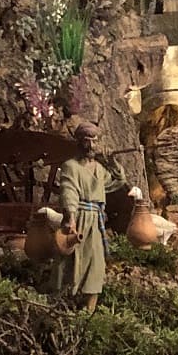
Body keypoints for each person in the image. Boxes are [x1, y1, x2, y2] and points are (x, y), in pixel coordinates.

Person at [55, 119, 140, 311]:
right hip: (79, 218)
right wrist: (71, 218)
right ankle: (64, 303)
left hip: (95, 221)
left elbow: (118, 181)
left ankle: (90, 309)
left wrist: (111, 161)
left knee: (96, 263)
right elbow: (69, 191)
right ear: (79, 142)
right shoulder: (71, 166)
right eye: (88, 140)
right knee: (72, 260)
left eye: (95, 141)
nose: (92, 145)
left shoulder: (100, 170)